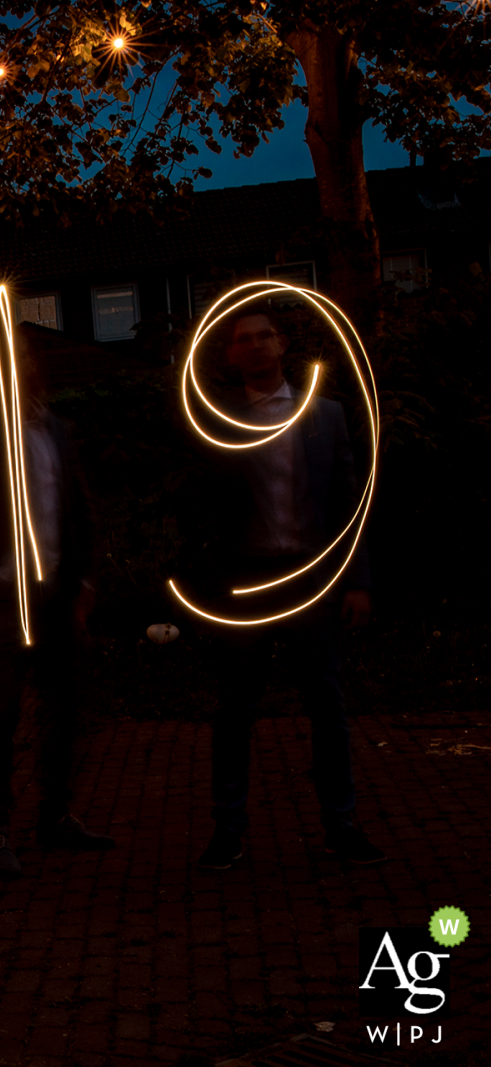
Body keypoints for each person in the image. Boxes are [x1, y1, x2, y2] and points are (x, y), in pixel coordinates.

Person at [192, 306, 382, 870]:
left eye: (263, 337)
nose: (254, 346)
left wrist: (358, 582)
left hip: (314, 581)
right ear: (230, 353)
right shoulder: (216, 420)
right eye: (242, 340)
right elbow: (203, 511)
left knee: (326, 705)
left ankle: (341, 827)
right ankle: (227, 830)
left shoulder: (322, 414)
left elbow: (350, 506)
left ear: (281, 344)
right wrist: (206, 586)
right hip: (247, 579)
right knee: (234, 709)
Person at [0, 354, 114, 880]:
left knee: (62, 712)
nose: (17, 379)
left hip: (56, 598)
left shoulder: (58, 433)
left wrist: (84, 582)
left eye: (24, 370)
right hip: (1, 600)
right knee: (0, 717)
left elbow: (80, 509)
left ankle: (55, 816)